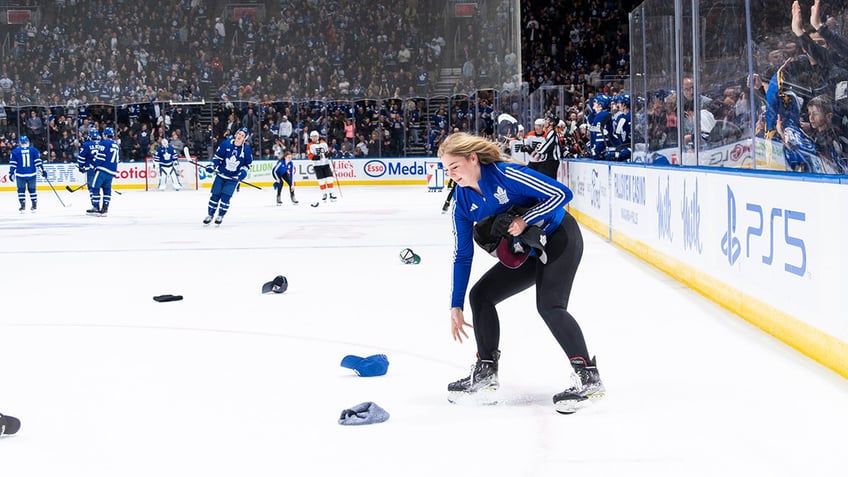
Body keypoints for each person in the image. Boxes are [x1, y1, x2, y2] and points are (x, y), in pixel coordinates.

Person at [438, 132, 604, 414]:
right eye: (446, 170)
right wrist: (456, 304)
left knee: (550, 306)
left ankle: (589, 377)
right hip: (526, 250)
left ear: (473, 159)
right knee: (481, 295)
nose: (452, 175)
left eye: (455, 166)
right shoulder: (462, 204)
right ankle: (486, 371)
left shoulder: (507, 174)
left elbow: (563, 194)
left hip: (559, 237)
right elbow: (462, 255)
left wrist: (524, 218)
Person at [203, 127, 253, 225]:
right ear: (236, 134)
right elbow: (217, 158)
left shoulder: (246, 150)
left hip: (233, 179)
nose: (240, 136)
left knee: (225, 198)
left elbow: (247, 165)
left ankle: (220, 215)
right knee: (215, 196)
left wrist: (242, 173)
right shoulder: (225, 144)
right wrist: (212, 165)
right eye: (239, 134)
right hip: (221, 175)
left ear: (244, 139)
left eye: (242, 136)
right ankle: (210, 215)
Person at [88, 127, 119, 216]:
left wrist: (93, 165)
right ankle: (105, 208)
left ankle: (96, 207)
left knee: (94, 187)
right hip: (112, 171)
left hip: (103, 169)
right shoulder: (116, 144)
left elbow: (100, 157)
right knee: (107, 188)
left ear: (105, 135)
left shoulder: (104, 143)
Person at [9, 135, 45, 213]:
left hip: (20, 174)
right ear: (28, 142)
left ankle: (22, 206)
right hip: (32, 174)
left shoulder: (15, 151)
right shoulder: (34, 150)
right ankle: (34, 205)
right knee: (32, 190)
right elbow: (38, 162)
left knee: (21, 190)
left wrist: (11, 173)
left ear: (20, 143)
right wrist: (42, 170)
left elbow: (13, 164)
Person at [307, 130, 337, 202]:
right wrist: (319, 157)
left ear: (318, 136)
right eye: (313, 137)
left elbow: (327, 152)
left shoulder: (324, 143)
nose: (314, 138)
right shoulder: (309, 145)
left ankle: (331, 194)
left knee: (329, 179)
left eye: (315, 136)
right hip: (317, 166)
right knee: (321, 181)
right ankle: (324, 194)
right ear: (311, 137)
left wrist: (329, 154)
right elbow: (310, 156)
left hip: (325, 164)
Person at [272, 139, 298, 205]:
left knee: (290, 184)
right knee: (281, 183)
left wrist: (292, 184)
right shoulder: (281, 162)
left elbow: (291, 174)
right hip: (276, 173)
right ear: (285, 157)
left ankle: (293, 197)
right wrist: (277, 179)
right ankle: (278, 198)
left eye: (290, 158)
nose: (290, 159)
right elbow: (275, 170)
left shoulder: (291, 163)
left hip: (284, 173)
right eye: (288, 157)